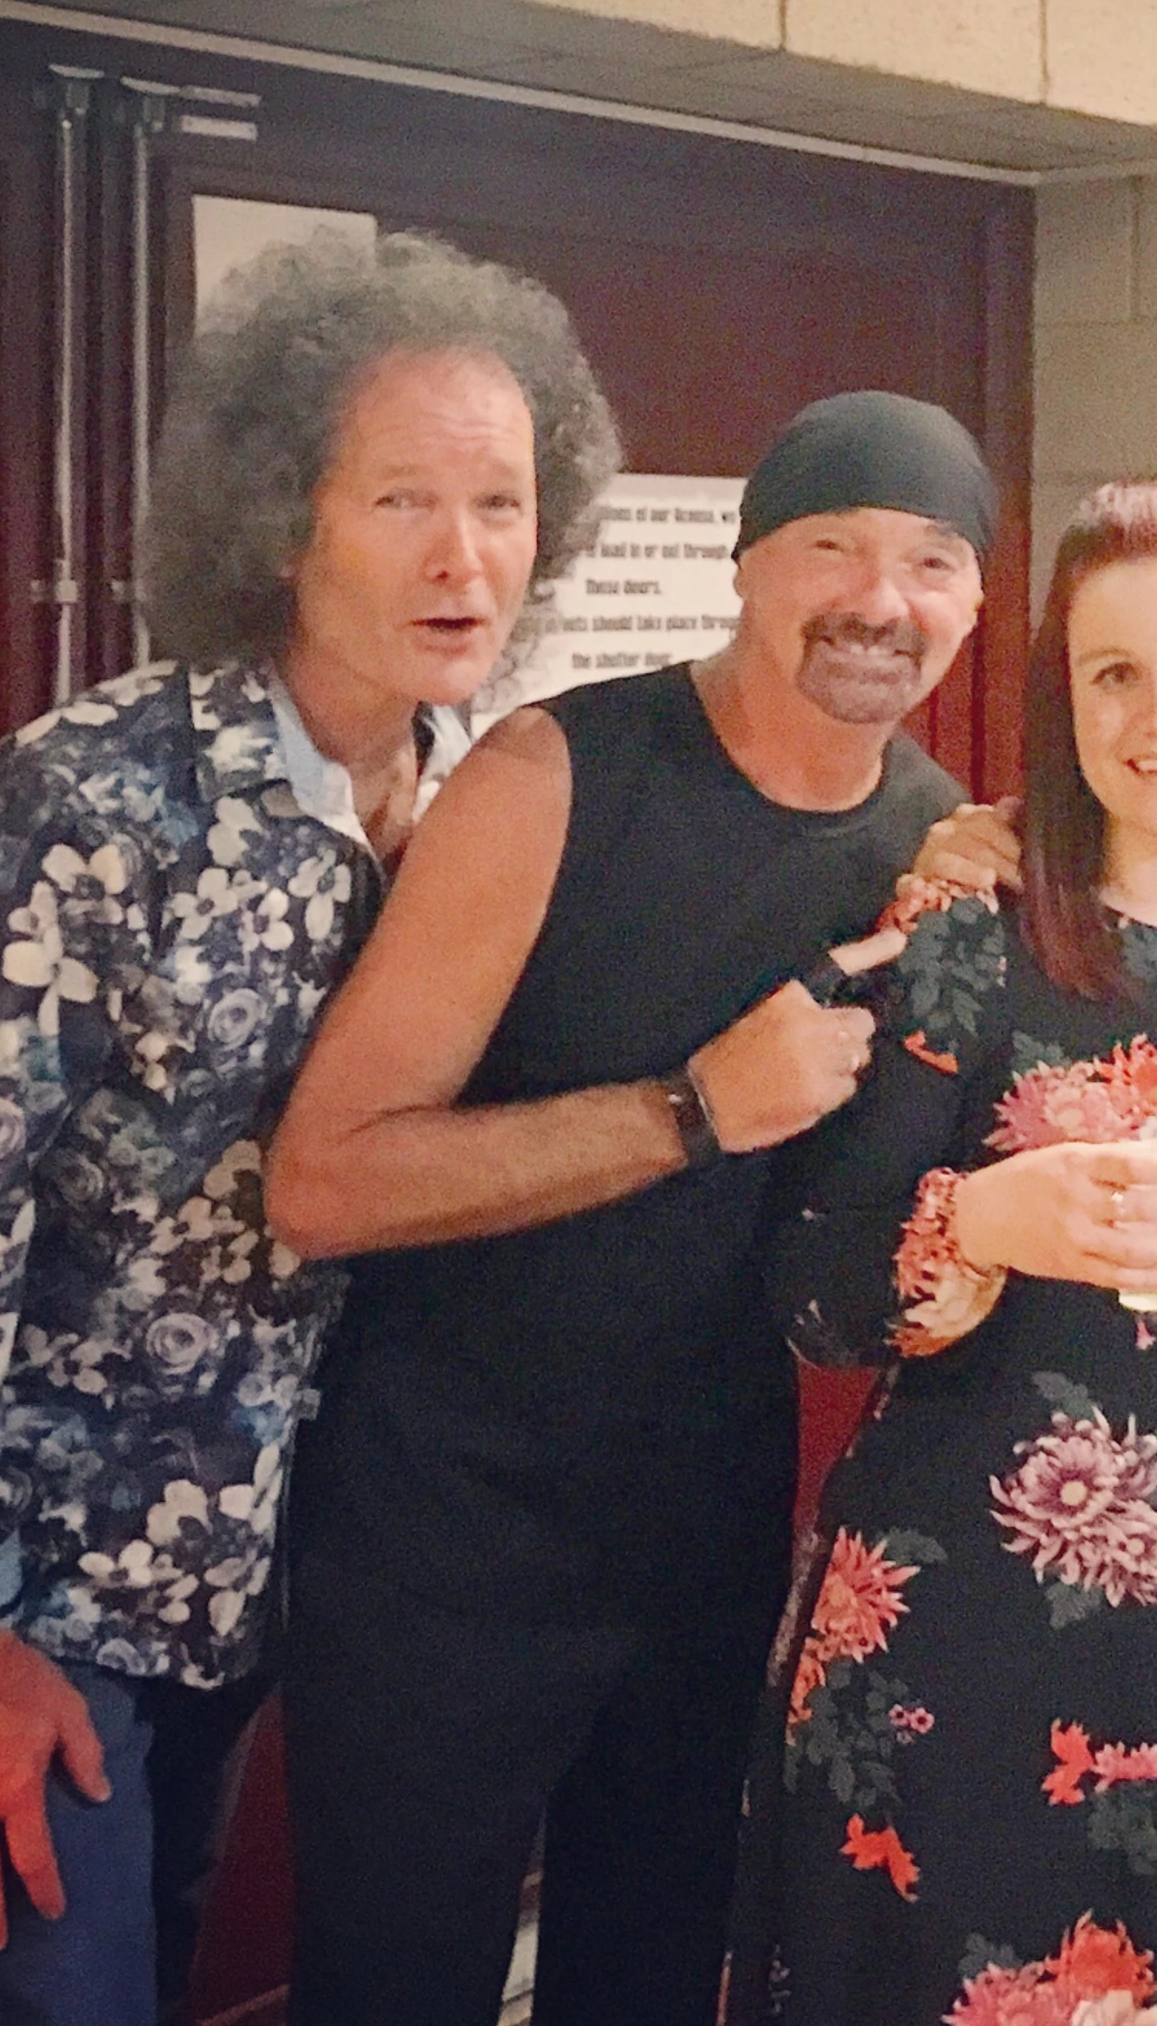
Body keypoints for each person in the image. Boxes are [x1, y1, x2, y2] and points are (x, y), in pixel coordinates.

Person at [0, 230, 617, 2025]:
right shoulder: (85, 807)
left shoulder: (481, 793)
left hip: (246, 1585)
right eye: (402, 496)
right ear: (278, 520)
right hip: (25, 1596)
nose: (462, 552)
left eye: (500, 501)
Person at [260, 392, 991, 2026]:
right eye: (832, 549)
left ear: (973, 608)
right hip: (439, 1530)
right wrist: (688, 1112)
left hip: (703, 1532)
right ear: (745, 570)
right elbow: (321, 1181)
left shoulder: (931, 844)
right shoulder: (554, 777)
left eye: (929, 563)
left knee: (655, 1982)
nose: (882, 600)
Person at [725, 480, 1157, 2024]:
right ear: (1061, 704)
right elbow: (813, 1293)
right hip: (973, 1653)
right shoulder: (969, 941)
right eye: (1113, 673)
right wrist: (982, 1224)